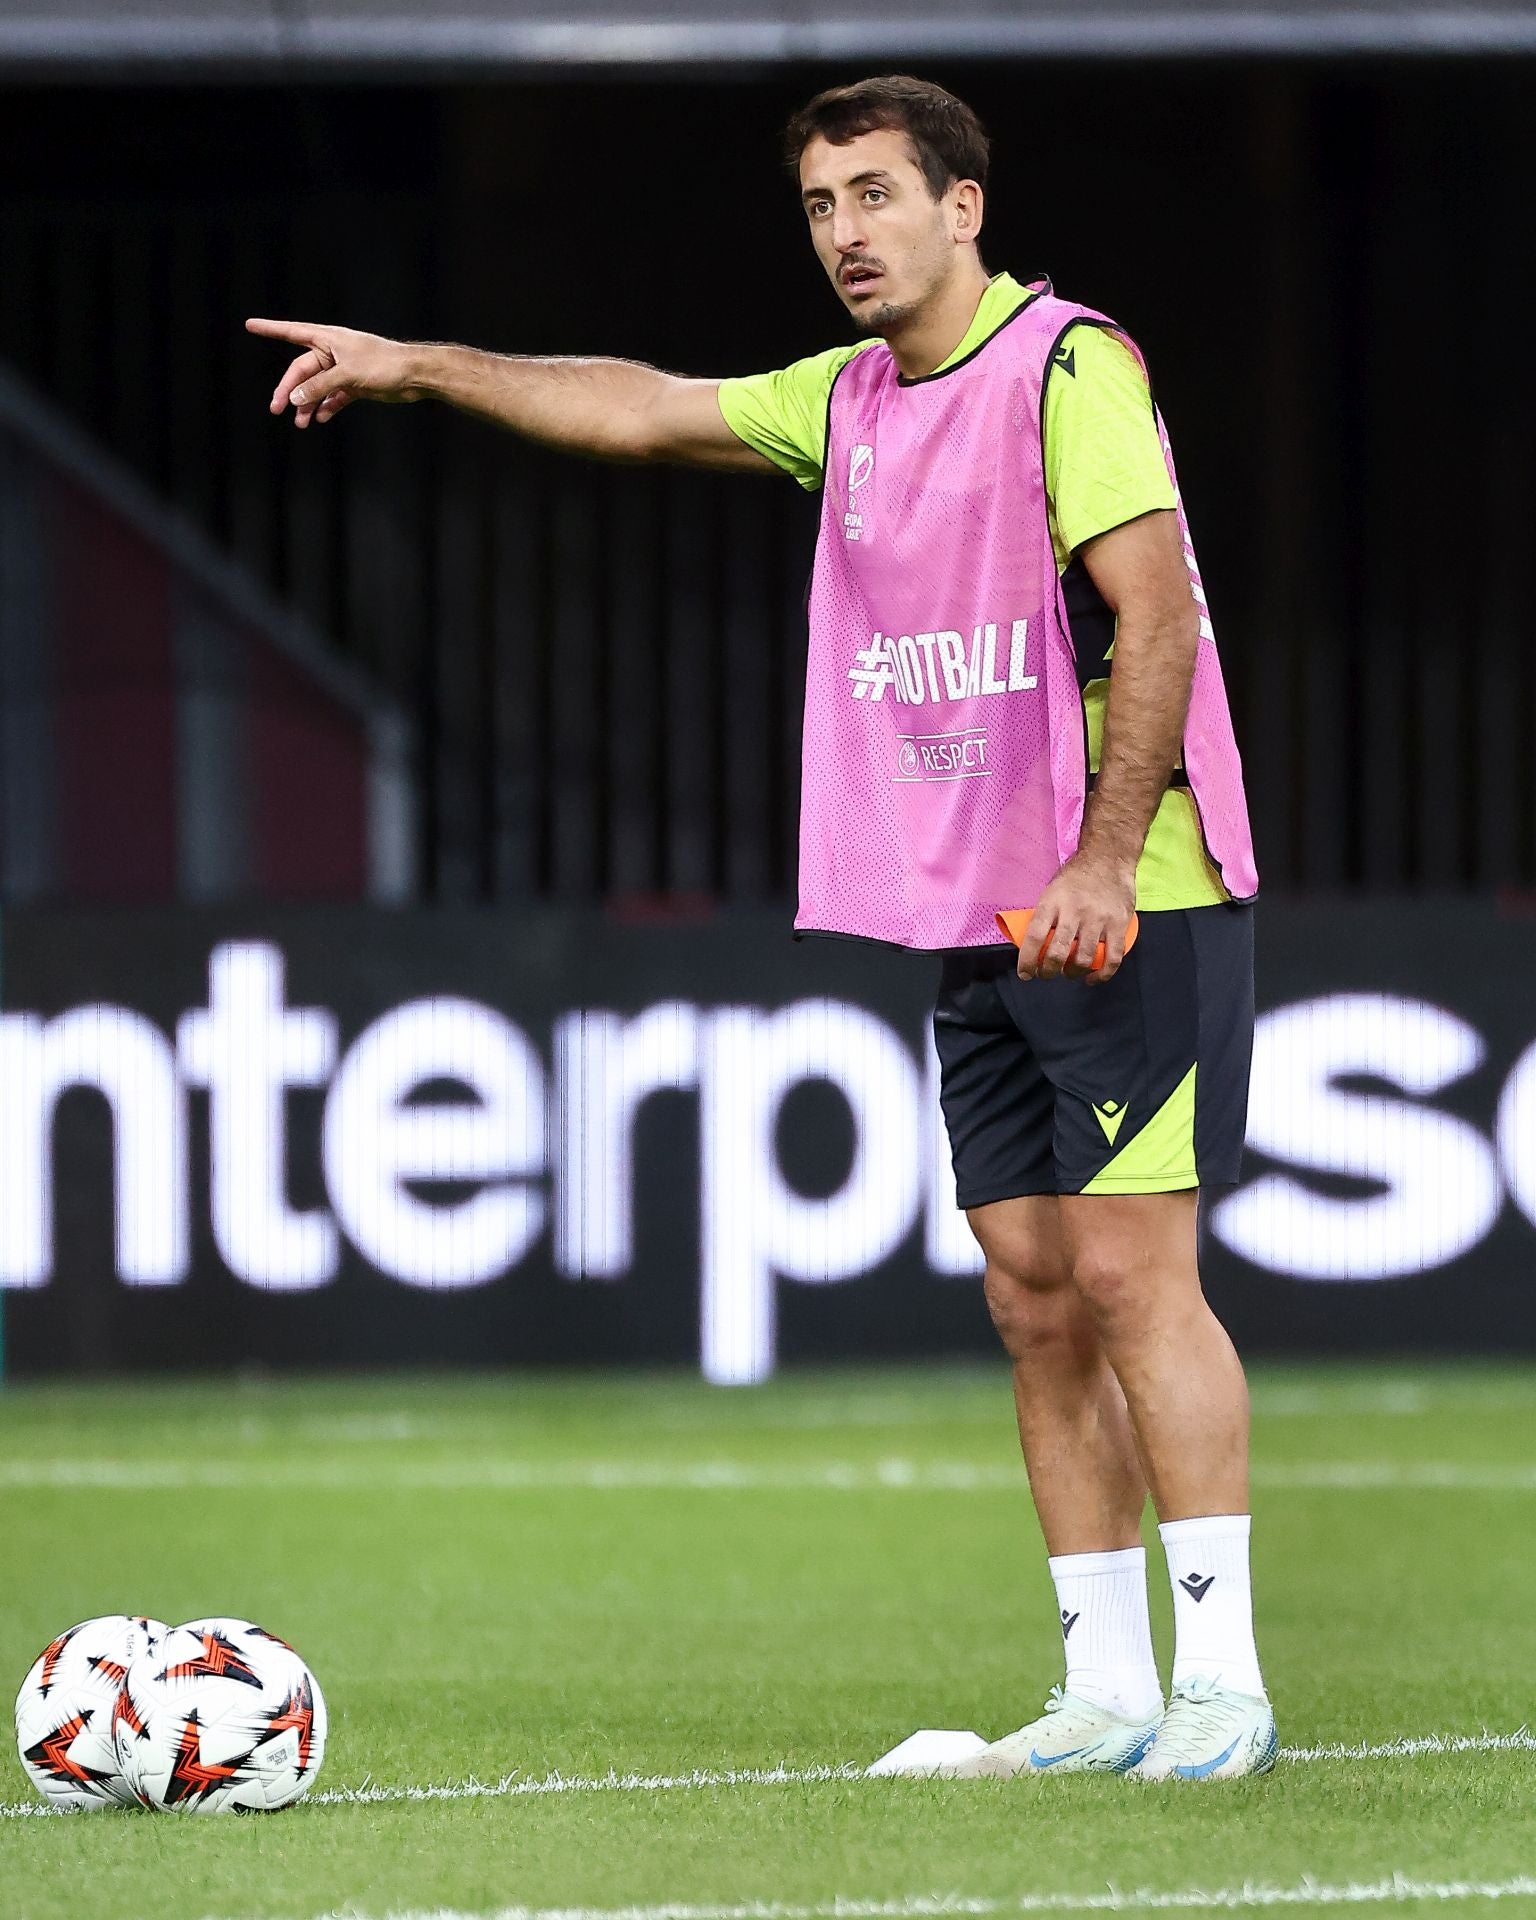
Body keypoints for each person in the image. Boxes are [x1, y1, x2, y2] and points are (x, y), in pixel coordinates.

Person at [247, 73, 1272, 1783]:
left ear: (964, 208)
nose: (847, 233)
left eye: (878, 195)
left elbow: (1155, 612)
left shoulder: (1069, 367)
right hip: (980, 906)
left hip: (1129, 894)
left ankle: (1224, 1683)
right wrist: (419, 363)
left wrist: (1105, 857)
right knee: (1029, 1296)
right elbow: (640, 407)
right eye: (820, 207)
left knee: (1124, 1273)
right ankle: (1108, 1690)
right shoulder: (850, 398)